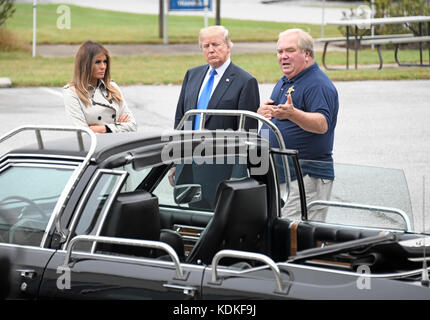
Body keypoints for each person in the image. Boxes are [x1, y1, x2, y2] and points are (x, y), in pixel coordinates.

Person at [171, 25, 260, 210]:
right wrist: (175, 162)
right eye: (206, 46)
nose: (211, 50)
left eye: (216, 44)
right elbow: (180, 121)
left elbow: (247, 133)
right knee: (192, 227)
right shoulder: (192, 75)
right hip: (189, 169)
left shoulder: (245, 81)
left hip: (221, 173)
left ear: (228, 46)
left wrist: (238, 175)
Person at [258, 28, 339, 221]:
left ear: (307, 54)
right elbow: (279, 115)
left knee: (297, 237)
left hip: (307, 178)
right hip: (283, 177)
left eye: (290, 51)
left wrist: (293, 114)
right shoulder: (287, 81)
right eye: (279, 52)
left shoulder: (317, 84)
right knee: (280, 235)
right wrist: (263, 113)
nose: (283, 56)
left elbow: (322, 124)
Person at [63, 40, 137, 133]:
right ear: (85, 64)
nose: (103, 67)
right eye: (97, 62)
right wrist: (118, 126)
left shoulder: (112, 87)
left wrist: (104, 129)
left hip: (118, 143)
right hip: (94, 145)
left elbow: (132, 125)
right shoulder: (72, 92)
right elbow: (83, 132)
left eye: (105, 62)